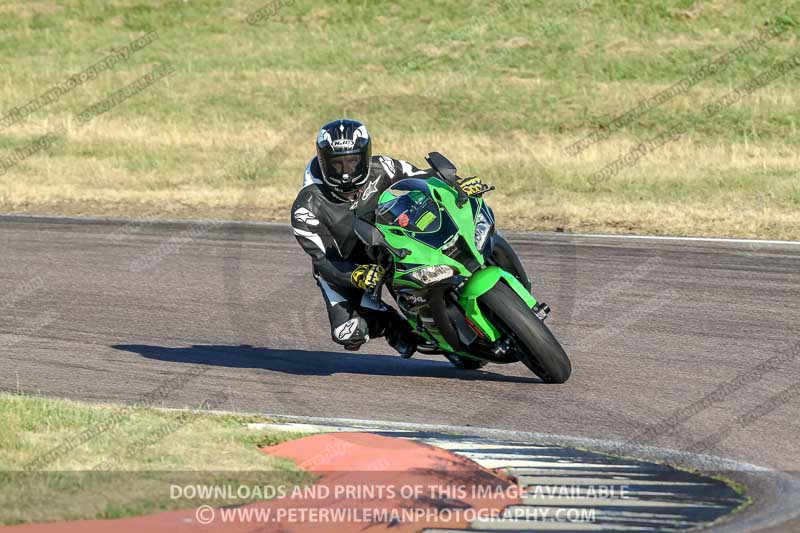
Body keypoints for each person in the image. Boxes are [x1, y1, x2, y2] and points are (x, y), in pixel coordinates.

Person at [290, 118, 530, 357]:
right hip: (350, 264)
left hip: (396, 238)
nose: (345, 172)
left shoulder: (383, 166)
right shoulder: (306, 206)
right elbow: (323, 261)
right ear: (323, 161)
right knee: (348, 332)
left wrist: (458, 185)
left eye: (353, 161)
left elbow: (423, 177)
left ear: (365, 156)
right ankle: (394, 325)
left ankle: (505, 279)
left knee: (474, 222)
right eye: (336, 164)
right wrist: (355, 275)